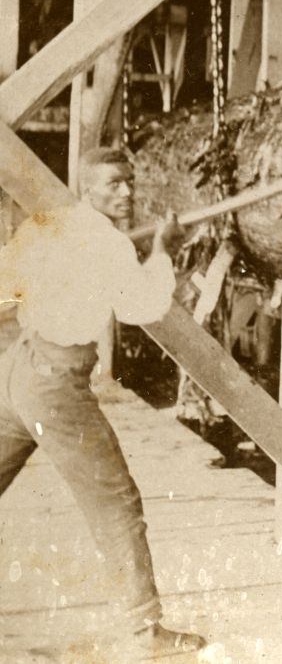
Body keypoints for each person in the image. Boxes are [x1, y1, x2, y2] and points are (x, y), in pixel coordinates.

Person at [0, 147, 206, 658]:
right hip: (55, 389)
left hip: (19, 368)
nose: (127, 192)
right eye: (113, 184)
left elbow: (10, 283)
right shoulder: (107, 243)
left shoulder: (51, 223)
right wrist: (161, 250)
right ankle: (145, 633)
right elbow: (144, 307)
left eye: (130, 182)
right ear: (87, 188)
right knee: (117, 504)